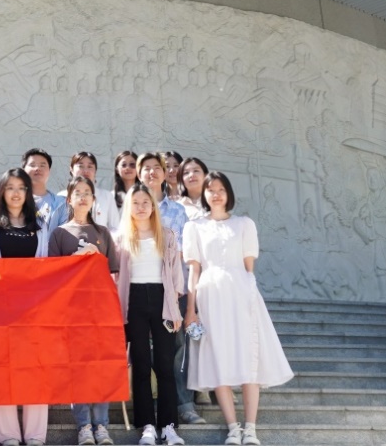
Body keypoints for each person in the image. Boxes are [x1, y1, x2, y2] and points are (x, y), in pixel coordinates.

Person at [183, 172, 294, 446]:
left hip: (241, 294)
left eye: (221, 189)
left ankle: (251, 428)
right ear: (204, 194)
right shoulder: (194, 227)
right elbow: (194, 270)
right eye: (211, 189)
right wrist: (190, 309)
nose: (216, 194)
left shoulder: (244, 224)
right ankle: (233, 428)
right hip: (209, 295)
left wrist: (251, 299)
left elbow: (248, 268)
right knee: (218, 359)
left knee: (249, 358)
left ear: (229, 193)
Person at [48, 176, 117, 446]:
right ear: (69, 199)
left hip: (100, 309)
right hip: (71, 311)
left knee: (100, 368)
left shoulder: (103, 233)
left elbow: (112, 273)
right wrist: (76, 258)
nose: (83, 197)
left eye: (87, 192)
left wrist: (96, 257)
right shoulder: (60, 233)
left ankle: (102, 425)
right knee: (77, 369)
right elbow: (52, 274)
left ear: (93, 199)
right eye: (78, 192)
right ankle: (84, 425)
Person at [115, 184, 186, 446]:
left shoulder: (166, 235)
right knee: (141, 364)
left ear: (153, 206)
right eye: (136, 202)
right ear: (129, 207)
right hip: (133, 302)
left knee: (165, 365)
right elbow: (115, 276)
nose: (141, 207)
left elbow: (176, 276)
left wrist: (175, 308)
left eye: (146, 202)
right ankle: (147, 425)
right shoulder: (121, 238)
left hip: (162, 300)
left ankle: (168, 426)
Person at [0, 168, 48, 446]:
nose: (16, 193)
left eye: (21, 187)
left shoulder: (41, 224)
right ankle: (8, 435)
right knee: (3, 370)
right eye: (10, 187)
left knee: (36, 369)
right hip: (1, 308)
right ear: (2, 192)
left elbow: (44, 265)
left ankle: (35, 435)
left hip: (34, 307)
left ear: (28, 192)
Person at [172, 156, 210, 426]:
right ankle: (190, 398)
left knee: (211, 337)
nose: (191, 175)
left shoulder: (216, 204)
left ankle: (212, 384)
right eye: (187, 172)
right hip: (187, 282)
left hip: (214, 283)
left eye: (197, 171)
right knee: (185, 343)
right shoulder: (176, 207)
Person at [137, 152, 188, 247]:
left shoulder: (178, 211)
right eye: (147, 168)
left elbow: (184, 247)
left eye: (157, 168)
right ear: (139, 175)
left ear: (164, 174)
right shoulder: (132, 208)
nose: (152, 172)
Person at [62, 152, 119, 230]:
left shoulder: (107, 196)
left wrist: (104, 236)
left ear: (95, 170)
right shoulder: (62, 196)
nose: (86, 171)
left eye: (90, 166)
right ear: (71, 169)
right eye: (80, 166)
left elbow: (115, 227)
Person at [21, 148, 63, 237]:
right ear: (23, 170)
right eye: (32, 165)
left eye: (42, 165)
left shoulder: (61, 203)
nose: (37, 168)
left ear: (49, 170)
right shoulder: (15, 200)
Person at [111, 150, 138, 215]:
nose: (128, 168)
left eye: (132, 165)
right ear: (117, 170)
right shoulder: (111, 196)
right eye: (124, 165)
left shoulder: (146, 194)